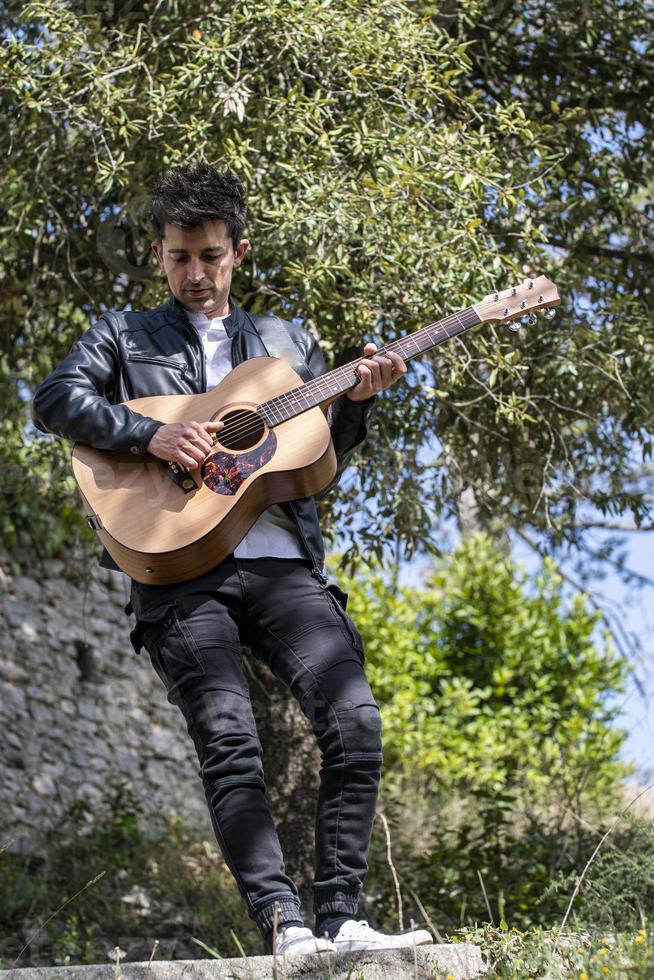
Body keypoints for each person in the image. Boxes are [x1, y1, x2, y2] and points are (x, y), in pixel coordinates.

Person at [32, 164, 433, 957]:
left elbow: (318, 456)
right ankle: (283, 926)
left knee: (354, 721)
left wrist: (358, 401)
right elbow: (54, 399)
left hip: (282, 559)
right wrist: (148, 433)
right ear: (159, 254)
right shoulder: (121, 335)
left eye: (210, 256)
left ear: (238, 252)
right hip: (179, 570)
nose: (195, 274)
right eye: (179, 257)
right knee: (229, 737)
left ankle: (342, 919)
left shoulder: (284, 346)